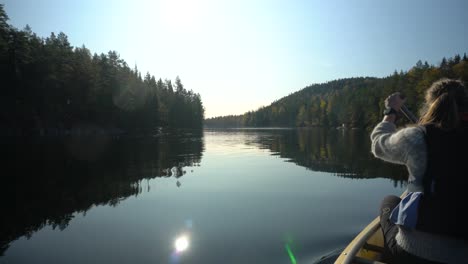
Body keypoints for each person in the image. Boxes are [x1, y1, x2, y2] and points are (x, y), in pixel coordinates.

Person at [370, 78, 468, 264]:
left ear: (432, 104)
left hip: (412, 254)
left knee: (390, 201)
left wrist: (390, 112)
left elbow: (378, 144)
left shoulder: (417, 137)